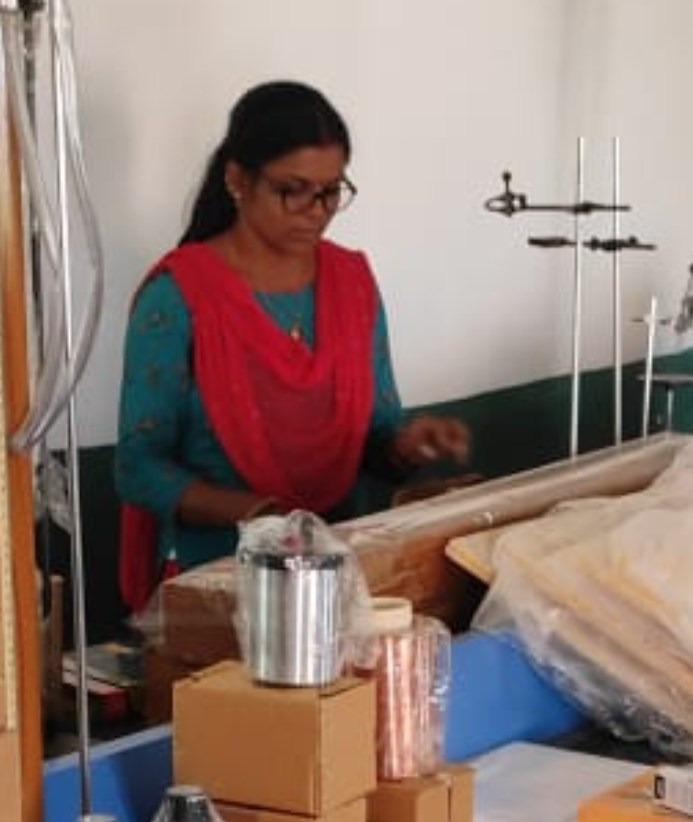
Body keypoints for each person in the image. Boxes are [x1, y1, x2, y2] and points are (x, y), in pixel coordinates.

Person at [114, 80, 471, 612]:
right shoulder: (180, 297)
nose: (315, 211)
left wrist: (408, 444)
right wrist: (258, 515)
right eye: (293, 190)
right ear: (237, 180)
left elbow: (376, 436)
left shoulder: (351, 283)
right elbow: (138, 467)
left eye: (330, 191)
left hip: (340, 577)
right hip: (219, 586)